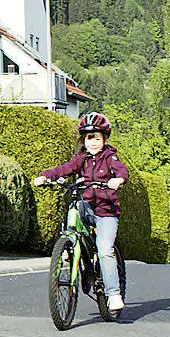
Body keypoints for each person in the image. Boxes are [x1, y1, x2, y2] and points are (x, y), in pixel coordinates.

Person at [33, 111, 128, 313]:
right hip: (88, 207)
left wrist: (118, 179)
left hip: (106, 211)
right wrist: (46, 177)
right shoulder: (81, 159)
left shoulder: (110, 157)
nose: (92, 142)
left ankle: (113, 294)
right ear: (83, 140)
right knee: (74, 207)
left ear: (104, 139)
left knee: (104, 249)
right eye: (88, 138)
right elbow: (64, 169)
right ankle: (71, 245)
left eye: (97, 138)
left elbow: (121, 170)